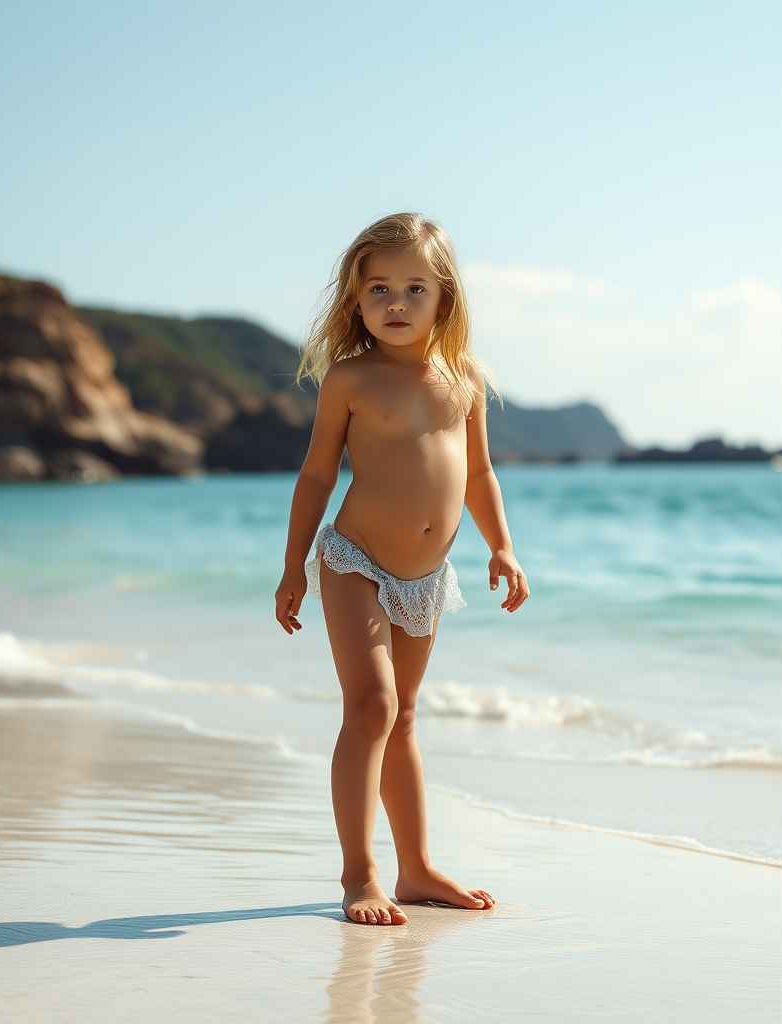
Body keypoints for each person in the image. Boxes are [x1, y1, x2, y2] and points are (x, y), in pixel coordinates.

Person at [275, 213, 528, 926]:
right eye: (378, 288)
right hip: (353, 559)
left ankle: (416, 869)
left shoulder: (465, 379)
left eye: (414, 288)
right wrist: (294, 565)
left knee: (406, 718)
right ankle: (361, 874)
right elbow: (317, 474)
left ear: (443, 298)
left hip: (426, 574)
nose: (395, 303)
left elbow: (478, 471)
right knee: (374, 708)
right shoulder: (350, 379)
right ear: (355, 301)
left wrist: (501, 546)